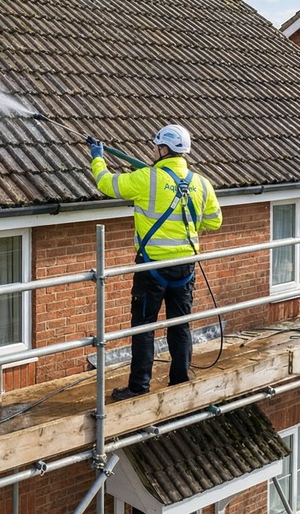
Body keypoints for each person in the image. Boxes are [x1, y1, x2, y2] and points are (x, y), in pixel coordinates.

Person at [87, 124, 222, 400]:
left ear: (163, 149)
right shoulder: (201, 183)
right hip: (185, 269)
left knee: (144, 327)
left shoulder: (146, 178)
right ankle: (180, 382)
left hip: (151, 268)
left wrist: (97, 157)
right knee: (180, 325)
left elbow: (105, 183)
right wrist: (191, 224)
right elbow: (215, 221)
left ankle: (139, 387)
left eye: (156, 147)